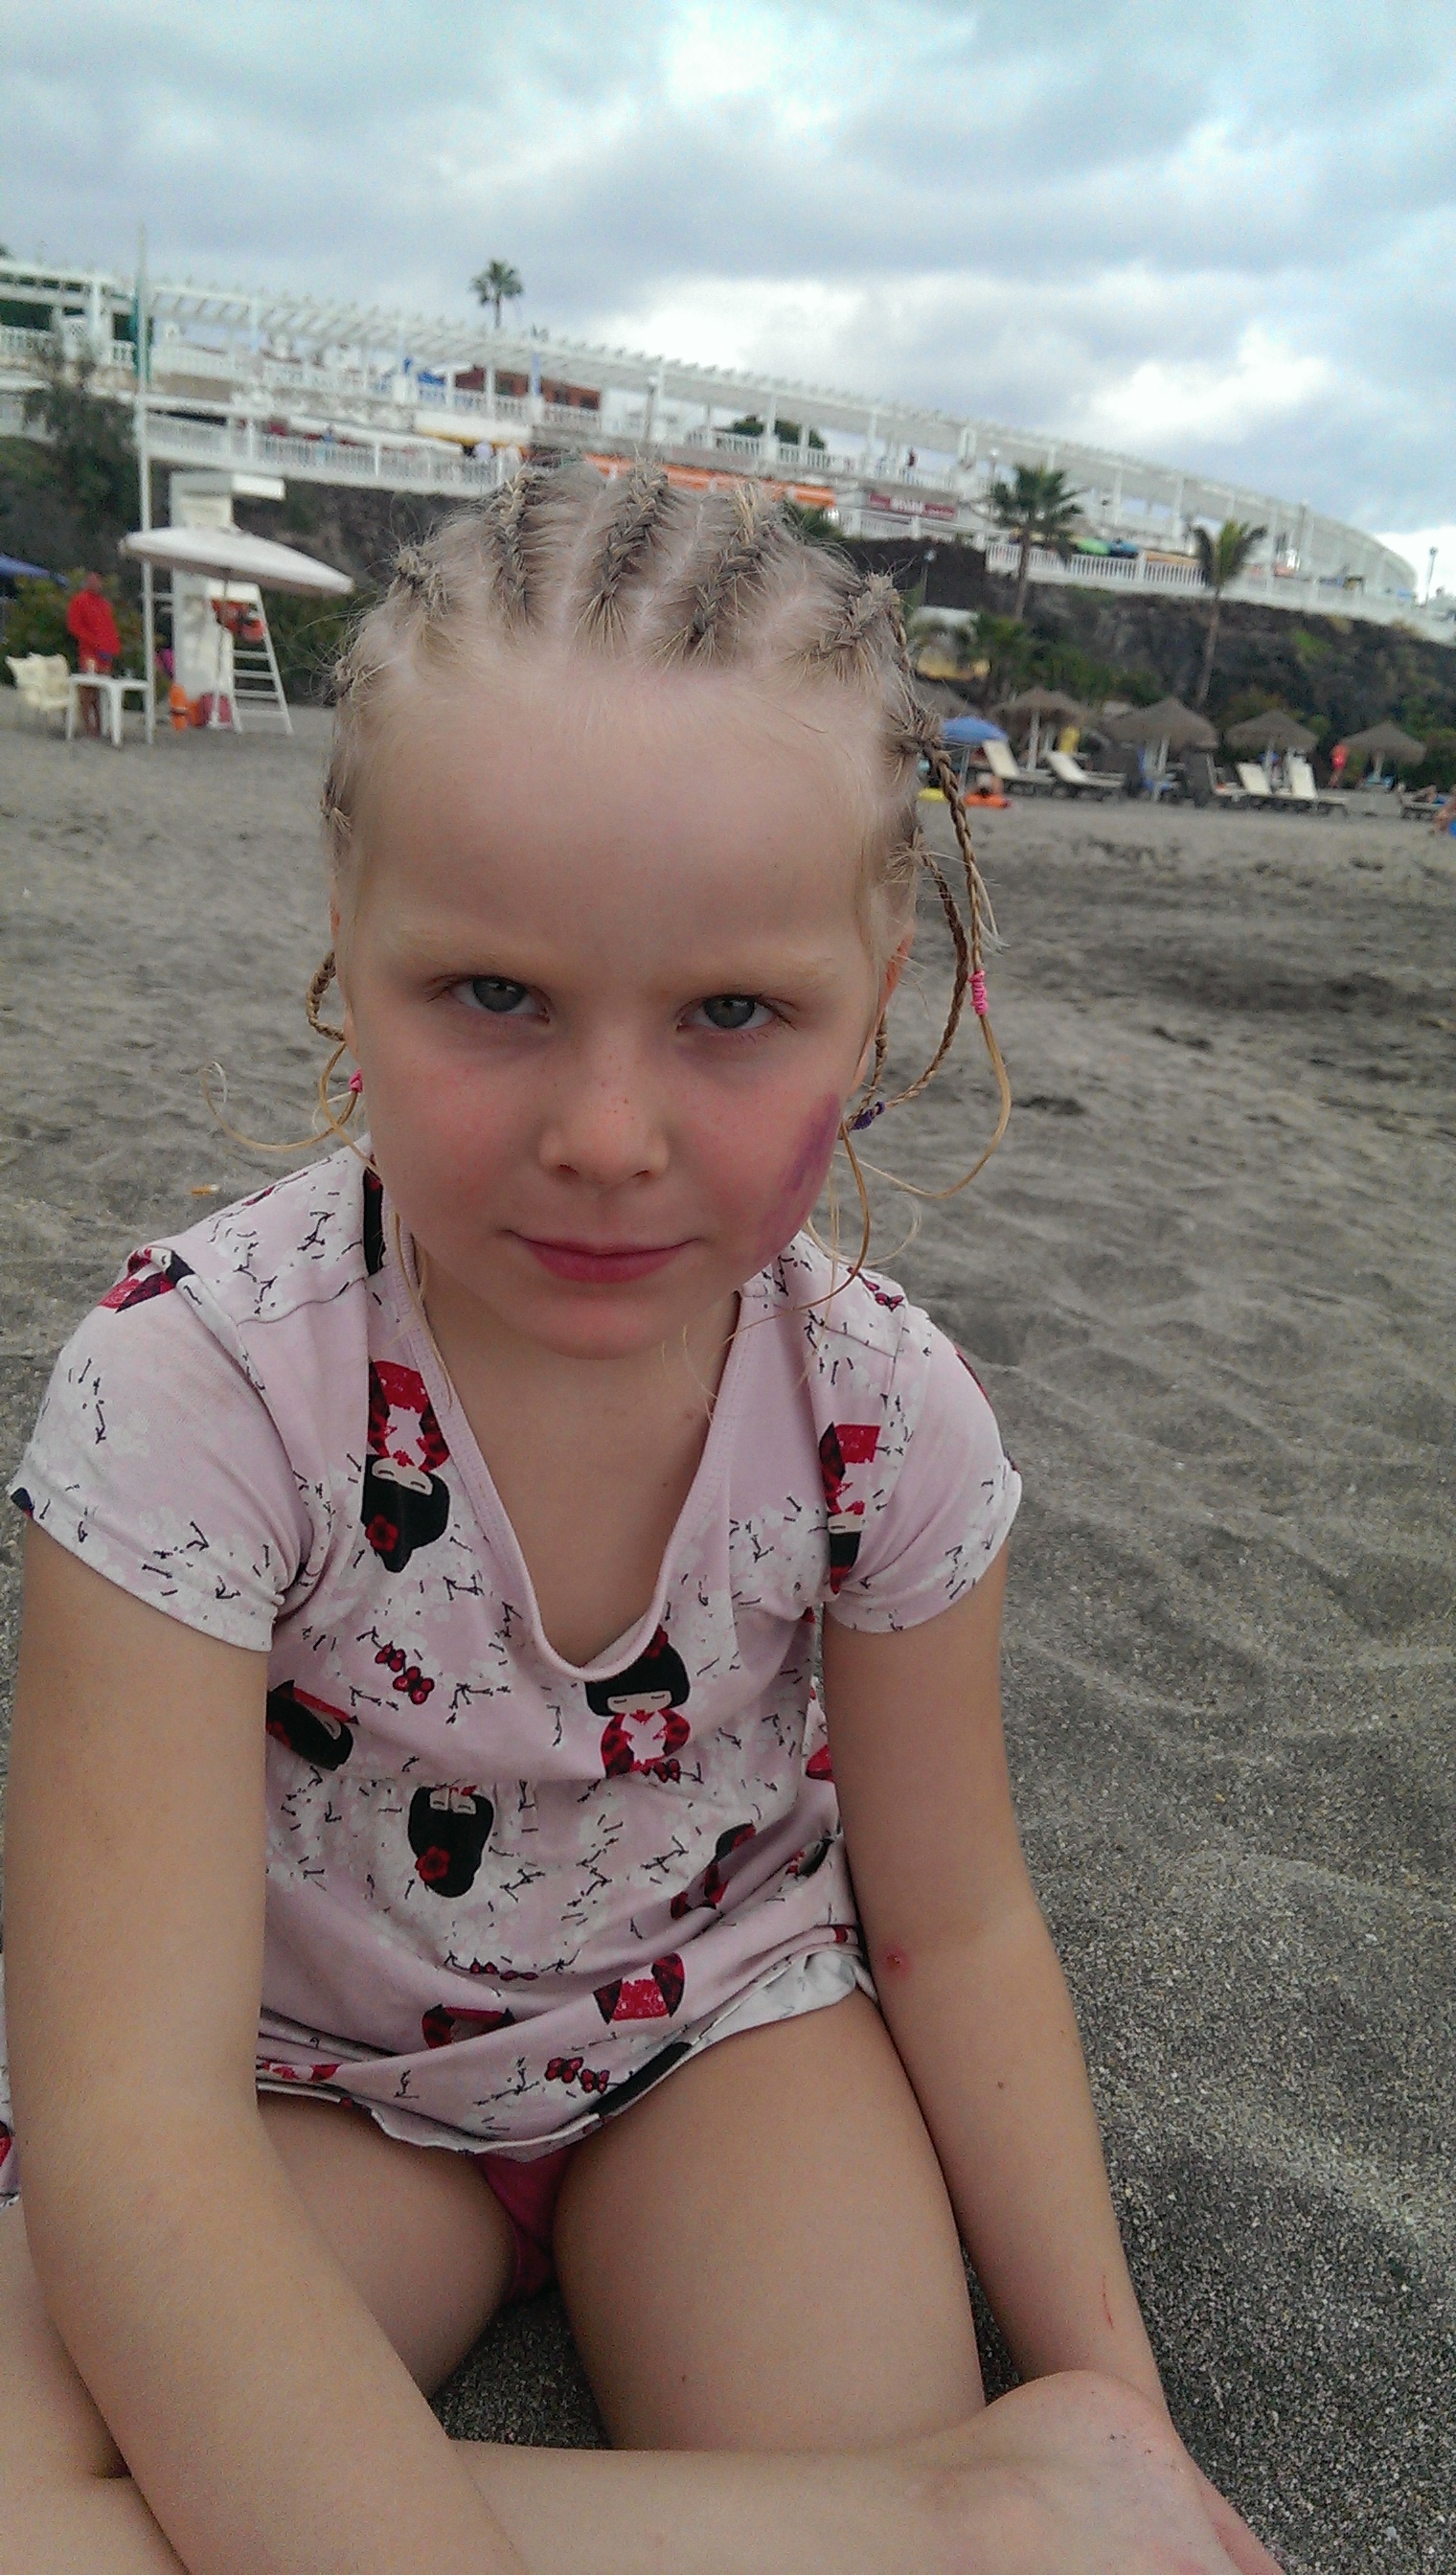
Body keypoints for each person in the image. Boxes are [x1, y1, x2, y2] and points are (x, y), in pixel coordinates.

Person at [0, 466, 1284, 2575]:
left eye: (731, 1014)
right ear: (350, 937)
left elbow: (955, 1923)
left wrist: (1112, 2407)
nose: (606, 1136)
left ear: (879, 984)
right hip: (294, 2090)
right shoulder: (197, 1392)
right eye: (493, 995)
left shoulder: (885, 1416)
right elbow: (129, 2118)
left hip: (722, 2047)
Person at [63, 570, 122, 738]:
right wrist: (93, 641)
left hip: (105, 654)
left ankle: (101, 724)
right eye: (92, 581)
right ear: (86, 583)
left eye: (97, 581)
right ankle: (87, 724)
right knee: (87, 688)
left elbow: (110, 628)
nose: (95, 584)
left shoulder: (104, 604)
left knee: (101, 690)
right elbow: (74, 626)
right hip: (89, 653)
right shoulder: (79, 601)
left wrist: (113, 647)